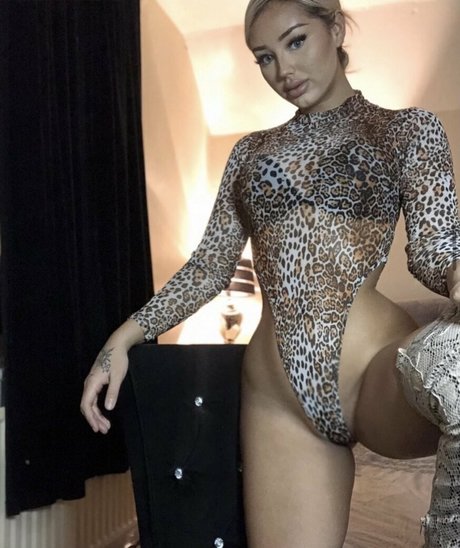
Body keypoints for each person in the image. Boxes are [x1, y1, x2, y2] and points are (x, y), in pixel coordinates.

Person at [80, 0, 460, 546]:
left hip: (374, 375)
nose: (283, 69)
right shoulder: (249, 153)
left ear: (334, 28)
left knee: (453, 360)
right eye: (264, 57)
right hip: (278, 404)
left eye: (296, 41)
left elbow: (435, 249)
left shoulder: (406, 130)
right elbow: (209, 266)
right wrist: (122, 339)